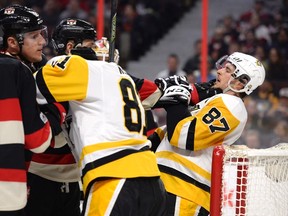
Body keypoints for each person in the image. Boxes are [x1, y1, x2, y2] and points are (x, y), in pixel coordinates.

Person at [33, 37, 167, 215]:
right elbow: (155, 94)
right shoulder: (119, 74)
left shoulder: (78, 67)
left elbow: (30, 88)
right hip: (152, 180)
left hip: (112, 177)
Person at [150, 52, 266, 215]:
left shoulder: (232, 106)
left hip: (185, 192)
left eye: (228, 69)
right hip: (167, 185)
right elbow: (167, 133)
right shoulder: (214, 101)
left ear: (240, 83)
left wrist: (177, 98)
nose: (219, 71)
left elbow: (183, 137)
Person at [25, 18, 98, 216]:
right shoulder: (47, 78)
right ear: (70, 47)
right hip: (42, 175)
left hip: (75, 178)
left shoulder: (92, 80)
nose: (95, 51)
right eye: (90, 45)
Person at [0, 4, 64, 215]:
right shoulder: (17, 70)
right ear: (12, 42)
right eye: (35, 36)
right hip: (6, 190)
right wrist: (59, 107)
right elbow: (38, 140)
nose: (43, 42)